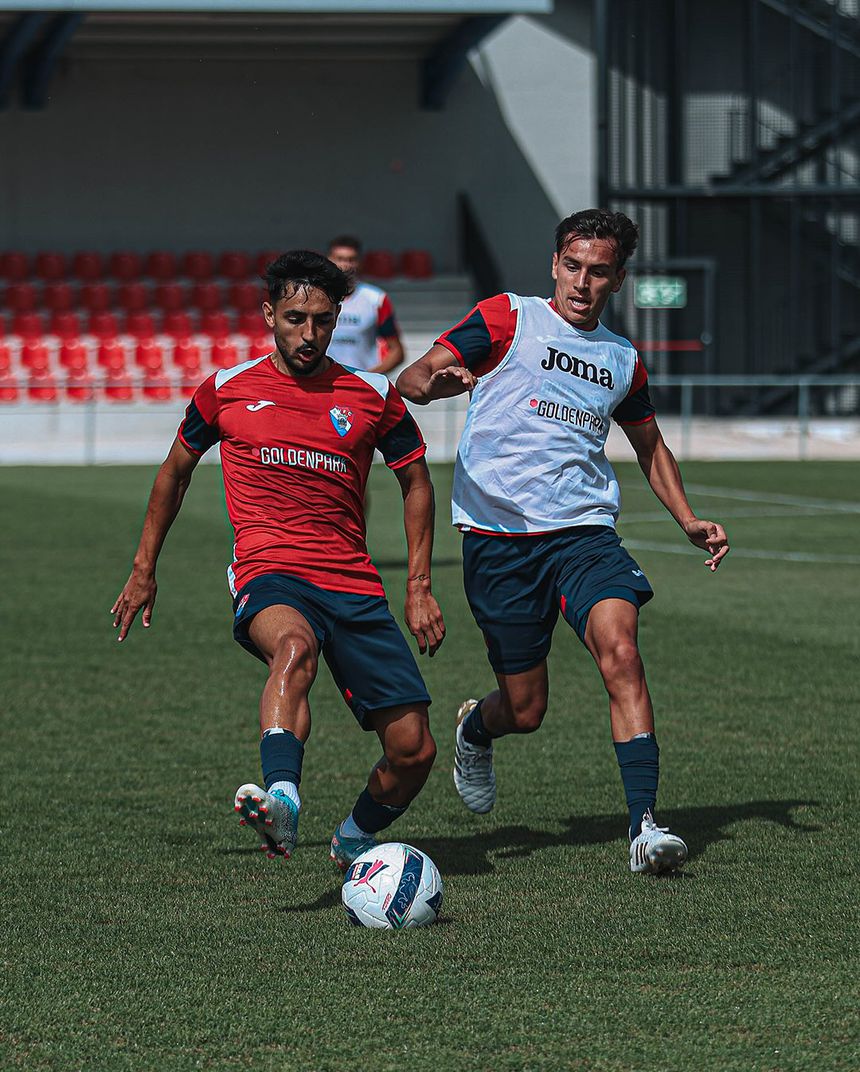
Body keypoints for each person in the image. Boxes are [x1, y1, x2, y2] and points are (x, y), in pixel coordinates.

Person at [396, 209, 729, 875]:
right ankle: (476, 728)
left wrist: (686, 517)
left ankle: (643, 827)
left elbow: (649, 444)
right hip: (500, 542)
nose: (582, 281)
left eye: (597, 271)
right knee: (525, 709)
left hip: (584, 534)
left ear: (619, 279)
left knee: (622, 653)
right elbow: (410, 380)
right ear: (555, 264)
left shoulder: (621, 359)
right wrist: (439, 380)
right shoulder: (505, 319)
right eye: (572, 266)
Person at [112, 250, 445, 870]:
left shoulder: (372, 395)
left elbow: (417, 481)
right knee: (294, 648)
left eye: (322, 320)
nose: (309, 334)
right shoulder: (226, 390)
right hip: (270, 568)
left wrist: (419, 585)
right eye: (295, 318)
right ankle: (283, 798)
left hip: (352, 580)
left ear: (338, 317)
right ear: (270, 314)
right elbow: (175, 471)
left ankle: (352, 838)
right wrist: (143, 568)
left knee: (413, 750)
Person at [326, 235, 405, 375]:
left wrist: (369, 378)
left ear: (360, 263)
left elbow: (397, 352)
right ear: (328, 260)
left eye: (351, 260)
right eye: (339, 259)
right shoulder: (316, 297)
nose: (345, 265)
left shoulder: (376, 299)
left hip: (361, 384)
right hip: (323, 384)